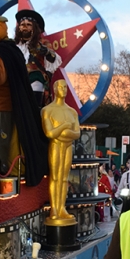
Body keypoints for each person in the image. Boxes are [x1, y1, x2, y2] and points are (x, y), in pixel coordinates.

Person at [0, 16, 49, 184]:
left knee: (0, 144)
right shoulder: (11, 50)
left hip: (0, 105)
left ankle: (2, 174)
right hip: (2, 105)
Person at [41, 80, 80, 224]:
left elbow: (76, 134)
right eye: (60, 87)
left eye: (65, 87)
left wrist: (63, 132)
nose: (63, 89)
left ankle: (61, 207)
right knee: (55, 178)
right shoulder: (47, 110)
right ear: (55, 89)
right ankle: (54, 209)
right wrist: (64, 126)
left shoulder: (72, 111)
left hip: (67, 146)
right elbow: (50, 133)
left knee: (64, 178)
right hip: (56, 146)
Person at [14, 8, 62, 107]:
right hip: (17, 80)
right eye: (22, 25)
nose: (24, 27)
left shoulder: (42, 43)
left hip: (35, 79)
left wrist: (46, 52)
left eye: (28, 25)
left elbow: (54, 59)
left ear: (34, 28)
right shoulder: (14, 45)